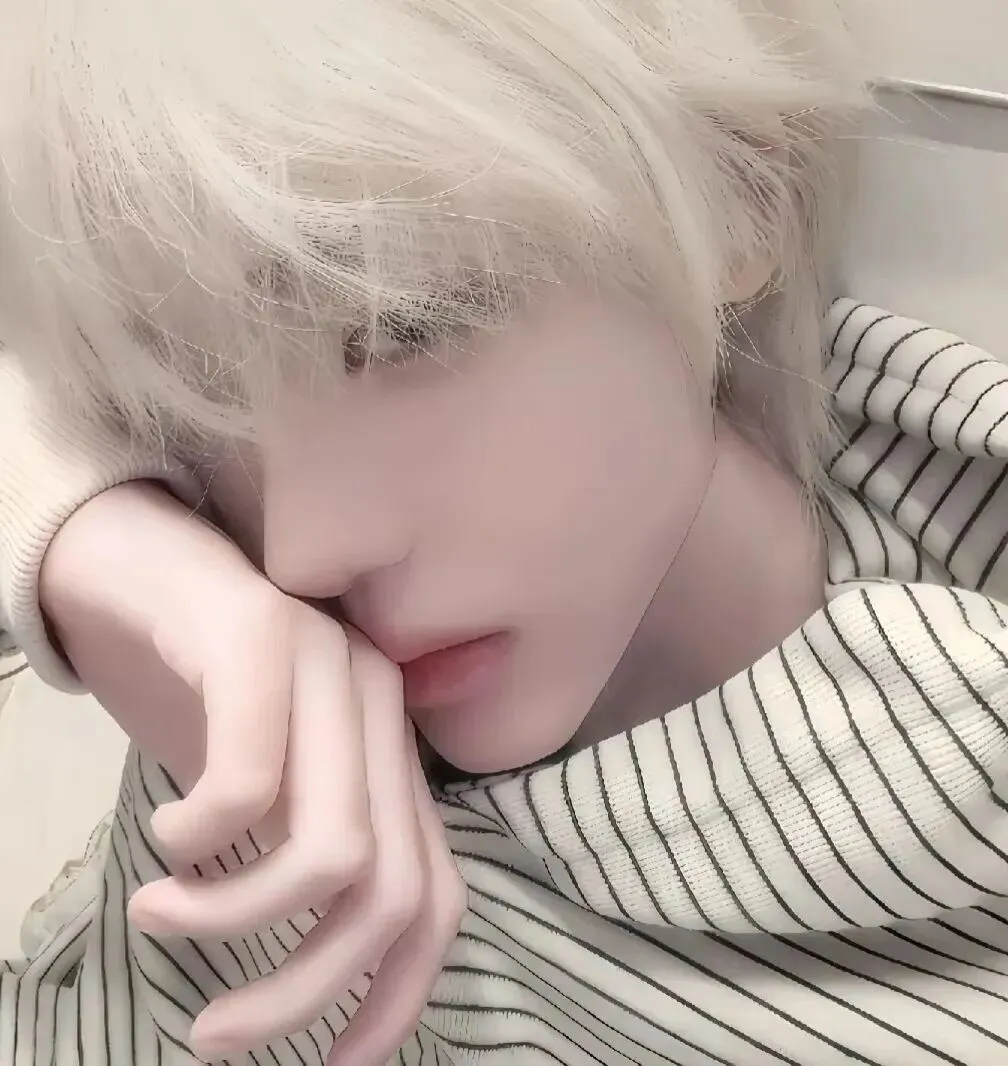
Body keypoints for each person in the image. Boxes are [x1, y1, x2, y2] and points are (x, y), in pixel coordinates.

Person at [2, 2, 1008, 1064]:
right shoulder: (215, 621)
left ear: (743, 195)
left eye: (402, 324)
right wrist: (84, 535)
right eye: (184, 411)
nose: (299, 551)